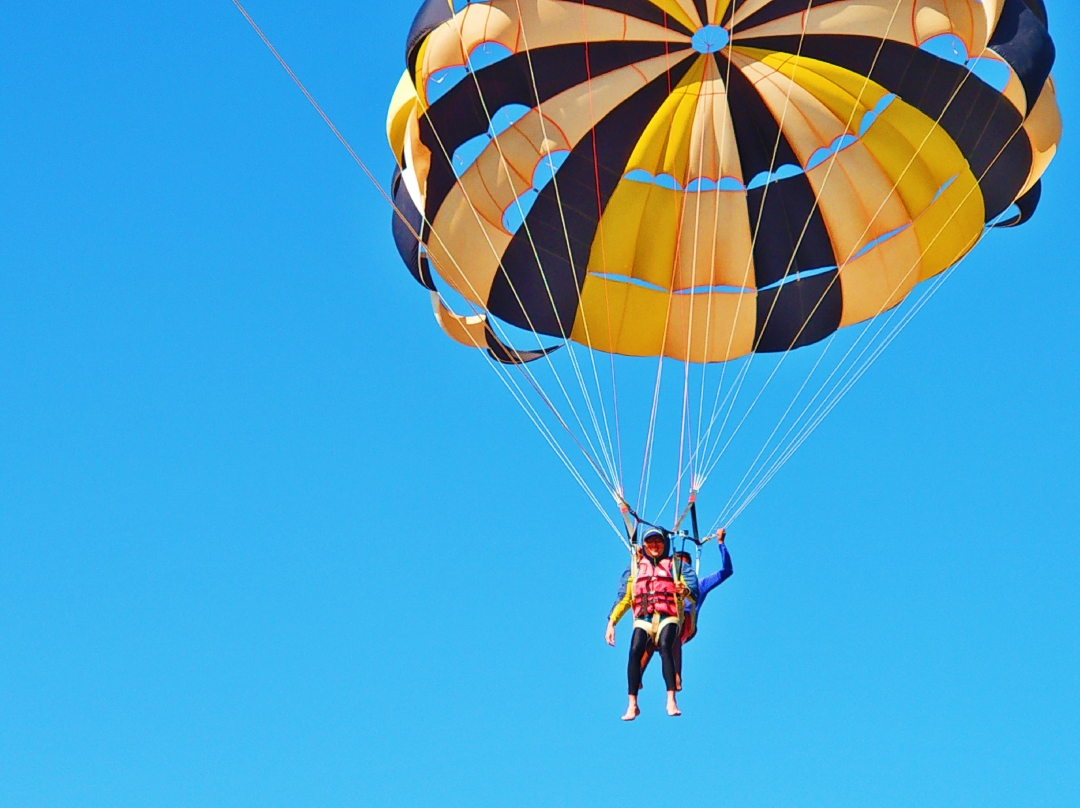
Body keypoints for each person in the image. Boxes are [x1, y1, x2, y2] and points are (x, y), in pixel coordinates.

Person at [605, 527, 698, 721]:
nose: (654, 545)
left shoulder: (677, 566)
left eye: (658, 541)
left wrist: (684, 591)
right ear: (644, 545)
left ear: (665, 544)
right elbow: (625, 597)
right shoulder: (636, 568)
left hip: (669, 616)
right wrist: (611, 622)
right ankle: (632, 704)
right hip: (643, 618)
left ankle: (671, 699)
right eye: (650, 542)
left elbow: (693, 589)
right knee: (635, 650)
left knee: (666, 646)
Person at [640, 528, 733, 690]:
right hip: (660, 619)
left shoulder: (700, 584)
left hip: (685, 624)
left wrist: (721, 543)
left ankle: (676, 677)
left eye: (685, 566)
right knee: (647, 639)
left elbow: (727, 571)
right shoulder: (661, 578)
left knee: (674, 634)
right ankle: (637, 676)